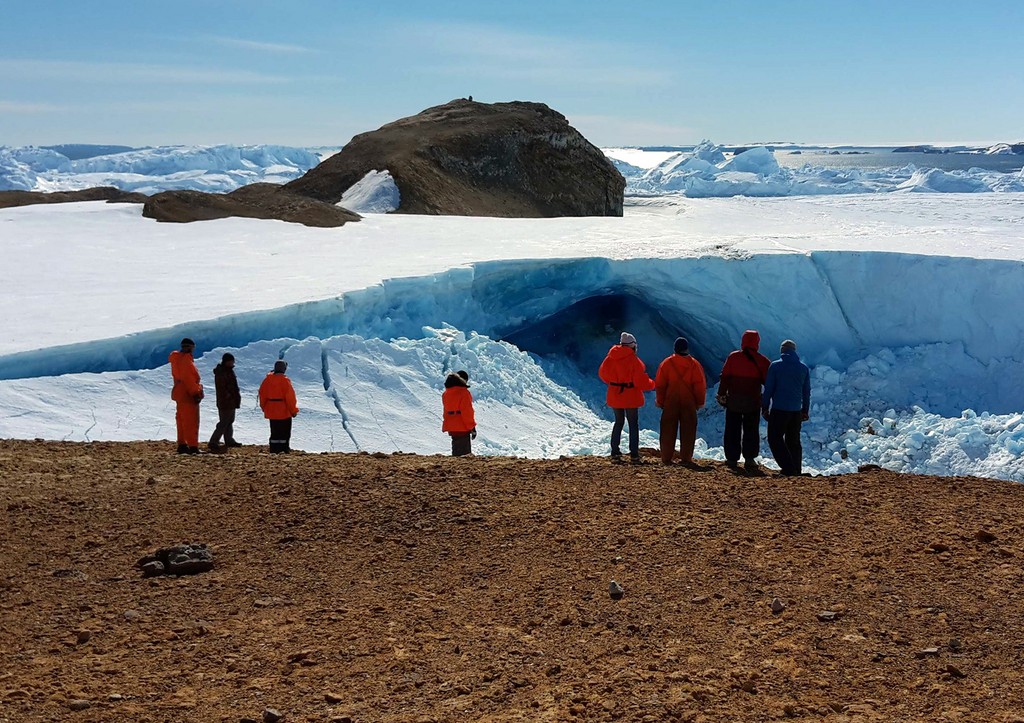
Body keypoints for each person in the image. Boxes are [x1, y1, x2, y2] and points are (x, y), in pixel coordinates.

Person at [717, 330, 771, 471]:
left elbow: (725, 377)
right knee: (751, 430)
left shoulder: (733, 357)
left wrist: (721, 394)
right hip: (753, 402)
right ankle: (749, 459)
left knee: (732, 430)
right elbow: (769, 382)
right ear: (757, 343)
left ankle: (731, 459)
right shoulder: (762, 361)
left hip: (734, 401)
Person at [598, 332, 656, 464]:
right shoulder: (634, 361)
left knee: (618, 422)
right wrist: (653, 384)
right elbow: (641, 381)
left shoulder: (610, 357)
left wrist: (614, 383)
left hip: (615, 393)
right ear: (633, 346)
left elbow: (603, 374)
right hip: (630, 395)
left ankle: (615, 452)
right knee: (633, 423)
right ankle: (634, 454)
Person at [761, 339, 811, 476]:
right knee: (793, 441)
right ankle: (796, 470)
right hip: (796, 411)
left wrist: (764, 407)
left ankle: (788, 469)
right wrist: (805, 410)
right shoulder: (803, 368)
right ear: (794, 351)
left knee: (775, 438)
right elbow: (806, 392)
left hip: (779, 410)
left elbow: (769, 389)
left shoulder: (775, 366)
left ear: (782, 351)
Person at [655, 337, 707, 465]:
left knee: (667, 429)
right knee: (688, 430)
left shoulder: (666, 363)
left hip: (670, 401)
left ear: (675, 349)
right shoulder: (694, 364)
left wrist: (660, 401)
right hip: (688, 402)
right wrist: (699, 402)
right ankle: (686, 458)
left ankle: (666, 457)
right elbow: (699, 385)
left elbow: (660, 385)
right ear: (687, 348)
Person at [169, 337, 203, 454]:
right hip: (187, 394)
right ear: (189, 347)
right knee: (191, 420)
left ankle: (182, 444)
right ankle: (193, 446)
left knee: (181, 419)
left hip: (179, 393)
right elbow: (188, 378)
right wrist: (196, 392)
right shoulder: (186, 360)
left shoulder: (176, 359)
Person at [258, 360, 299, 453]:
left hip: (271, 409)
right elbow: (290, 397)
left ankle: (274, 448)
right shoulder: (285, 380)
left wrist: (265, 407)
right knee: (284, 432)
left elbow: (262, 394)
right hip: (284, 410)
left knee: (274, 431)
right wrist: (293, 411)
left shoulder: (267, 380)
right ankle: (284, 449)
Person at [208, 352, 242, 452]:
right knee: (224, 422)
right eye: (231, 361)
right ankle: (213, 441)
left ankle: (229, 440)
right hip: (225, 401)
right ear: (226, 362)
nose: (232, 363)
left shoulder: (227, 371)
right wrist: (230, 396)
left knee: (229, 421)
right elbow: (222, 388)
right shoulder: (222, 372)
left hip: (230, 401)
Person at [442, 370, 477, 456]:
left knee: (456, 452)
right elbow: (467, 412)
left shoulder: (446, 393)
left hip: (451, 426)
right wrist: (472, 427)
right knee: (464, 455)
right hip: (462, 427)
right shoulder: (464, 393)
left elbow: (446, 412)